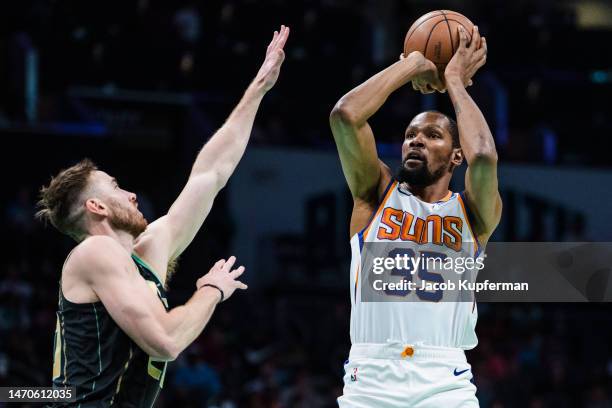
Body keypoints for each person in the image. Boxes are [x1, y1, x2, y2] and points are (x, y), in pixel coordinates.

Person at [37, 25, 290, 408]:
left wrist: (259, 88)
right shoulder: (96, 252)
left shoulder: (147, 250)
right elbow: (166, 341)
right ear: (97, 207)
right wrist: (211, 289)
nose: (132, 193)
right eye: (116, 186)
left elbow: (211, 172)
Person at [330, 26, 501, 407]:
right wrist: (413, 64)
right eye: (410, 134)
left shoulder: (472, 214)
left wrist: (455, 81)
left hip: (445, 379)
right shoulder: (374, 196)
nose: (417, 140)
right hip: (371, 376)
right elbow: (345, 115)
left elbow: (486, 157)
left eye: (432, 135)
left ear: (457, 155)